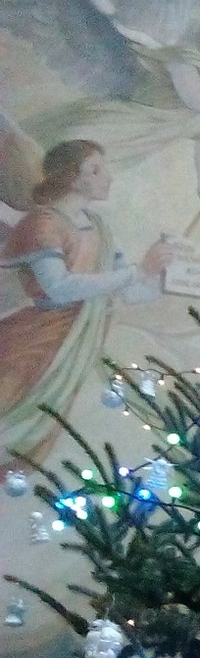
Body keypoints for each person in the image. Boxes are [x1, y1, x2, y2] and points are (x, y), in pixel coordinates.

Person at [0, 140, 167, 458]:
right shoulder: (44, 223)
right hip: (39, 340)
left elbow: (129, 291)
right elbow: (58, 288)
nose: (108, 177)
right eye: (96, 170)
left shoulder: (99, 228)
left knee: (40, 431)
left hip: (75, 348)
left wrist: (165, 279)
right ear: (71, 177)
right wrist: (138, 271)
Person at [30, 10, 200, 208]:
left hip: (140, 144)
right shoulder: (188, 62)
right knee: (47, 154)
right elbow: (195, 99)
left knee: (70, 187)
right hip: (121, 123)